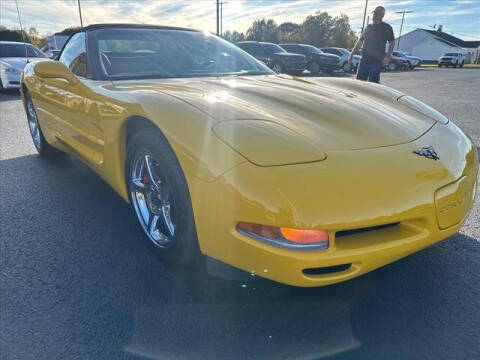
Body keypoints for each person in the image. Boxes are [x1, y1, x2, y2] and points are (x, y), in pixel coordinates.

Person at [348, 6, 395, 83]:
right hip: (364, 60)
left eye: (377, 14)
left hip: (376, 62)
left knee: (373, 84)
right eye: (374, 14)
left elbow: (392, 42)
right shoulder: (368, 27)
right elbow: (360, 42)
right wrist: (351, 54)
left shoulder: (387, 28)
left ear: (382, 16)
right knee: (359, 83)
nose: (375, 16)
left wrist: (388, 56)